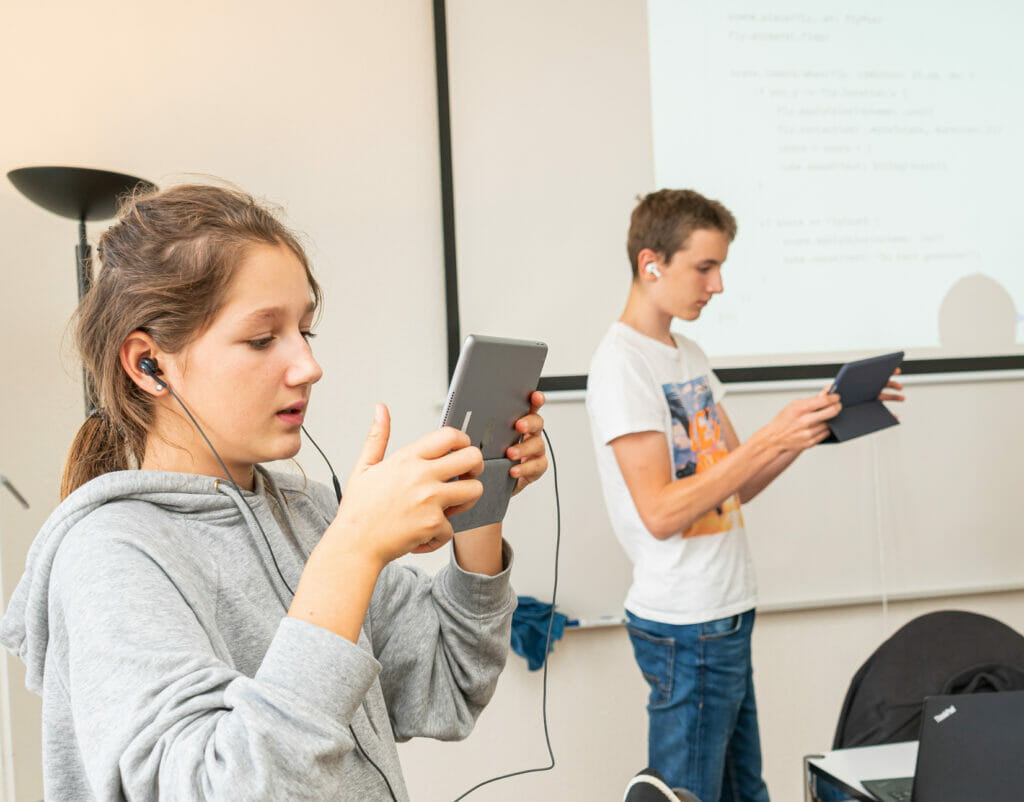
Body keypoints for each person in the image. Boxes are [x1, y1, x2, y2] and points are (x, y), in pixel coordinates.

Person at [0, 183, 548, 801]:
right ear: (148, 363)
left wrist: (481, 492)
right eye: (262, 339)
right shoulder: (111, 556)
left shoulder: (309, 513)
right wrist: (351, 552)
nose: (308, 366)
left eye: (305, 331)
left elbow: (447, 684)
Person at [585, 189, 903, 802]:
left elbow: (738, 483)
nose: (718, 285)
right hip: (687, 625)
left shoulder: (687, 355)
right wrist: (769, 437)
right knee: (689, 796)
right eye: (704, 267)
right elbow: (661, 512)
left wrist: (815, 426)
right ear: (651, 263)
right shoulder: (623, 365)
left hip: (723, 613)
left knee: (744, 792)